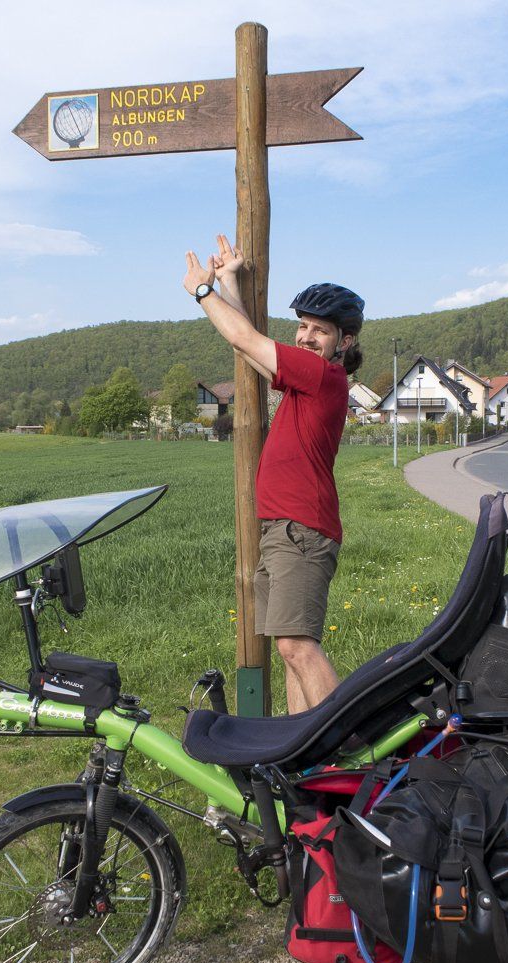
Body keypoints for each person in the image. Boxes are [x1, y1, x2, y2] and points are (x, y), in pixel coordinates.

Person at [183, 234, 363, 714]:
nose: (305, 337)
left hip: (300, 529)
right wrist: (229, 282)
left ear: (344, 341)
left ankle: (343, 749)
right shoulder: (310, 378)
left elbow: (243, 338)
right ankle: (302, 754)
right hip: (284, 528)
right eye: (302, 326)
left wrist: (204, 293)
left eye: (319, 330)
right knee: (290, 652)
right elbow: (250, 351)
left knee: (297, 647)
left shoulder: (322, 375)